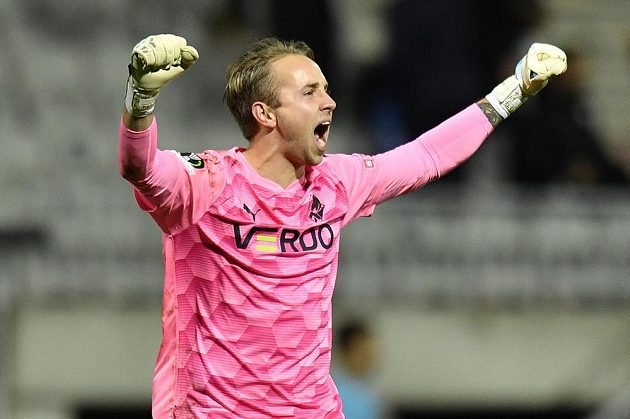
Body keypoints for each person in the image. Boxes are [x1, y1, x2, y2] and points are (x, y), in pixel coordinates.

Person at [118, 34, 566, 418]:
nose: (329, 101)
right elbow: (141, 169)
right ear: (266, 114)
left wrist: (514, 90)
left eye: (326, 89)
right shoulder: (208, 184)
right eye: (310, 92)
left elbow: (426, 156)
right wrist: (141, 100)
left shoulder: (335, 183)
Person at [332, 320, 383, 419]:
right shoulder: (337, 391)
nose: (368, 355)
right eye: (362, 349)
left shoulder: (367, 389)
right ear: (347, 350)